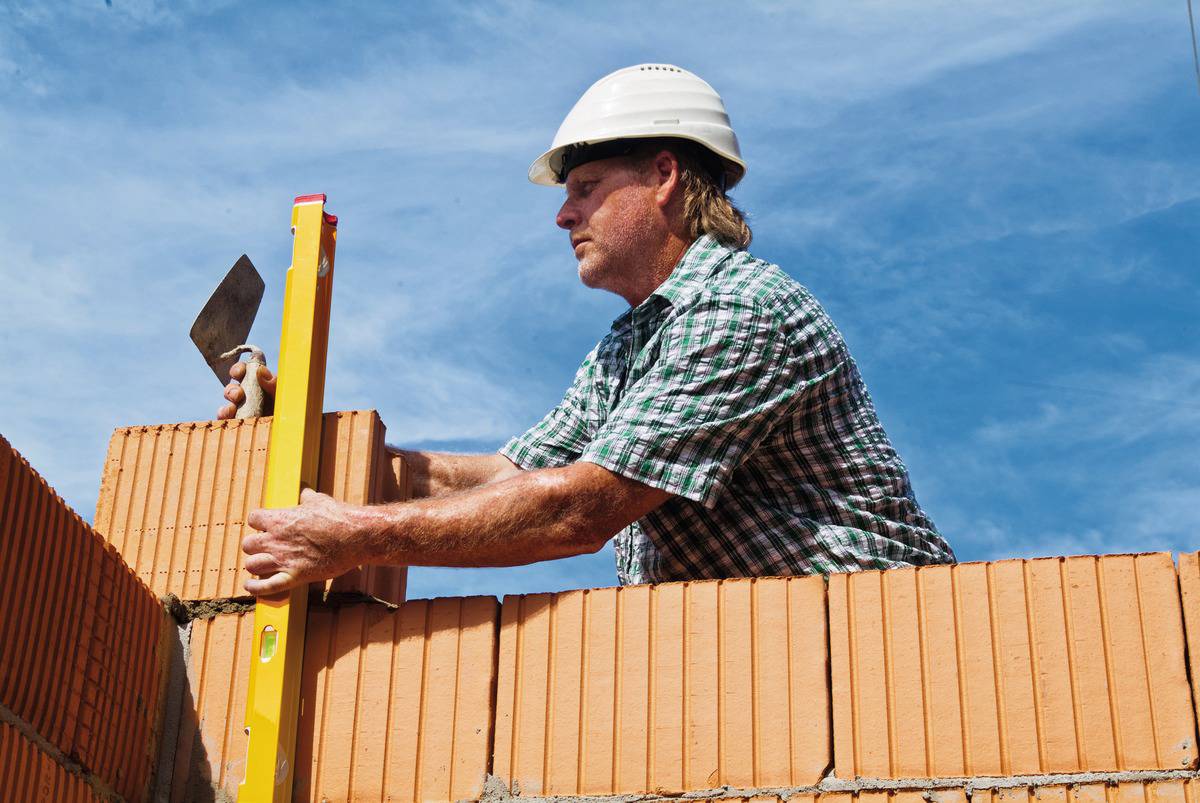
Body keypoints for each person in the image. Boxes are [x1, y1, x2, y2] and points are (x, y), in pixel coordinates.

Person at [222, 64, 955, 596]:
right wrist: (319, 439)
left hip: (885, 648)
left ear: (664, 175)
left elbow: (578, 509)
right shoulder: (629, 346)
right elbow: (512, 476)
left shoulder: (740, 310)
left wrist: (355, 538)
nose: (563, 216)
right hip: (773, 663)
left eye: (585, 189)